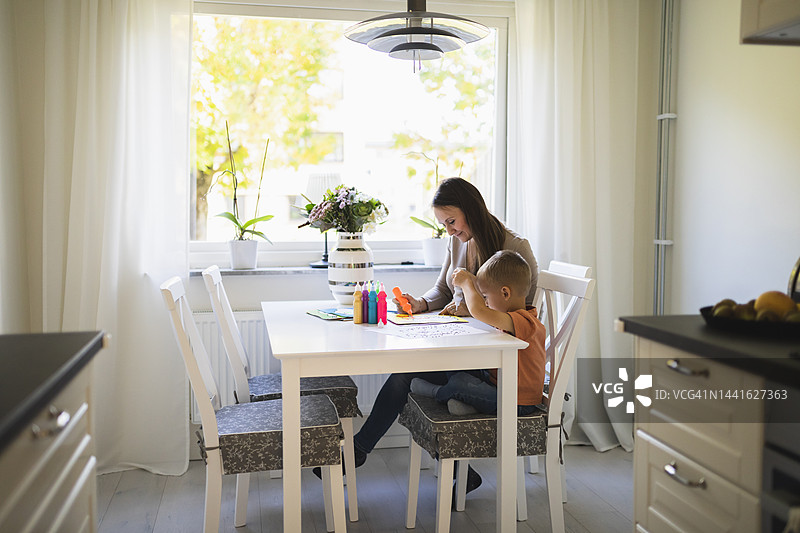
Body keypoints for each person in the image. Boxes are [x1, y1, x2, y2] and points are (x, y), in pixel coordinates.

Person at [316, 178, 539, 496]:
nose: (449, 231)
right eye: (443, 224)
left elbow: (521, 311)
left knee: (415, 379)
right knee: (403, 374)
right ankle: (359, 451)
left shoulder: (514, 248)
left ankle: (453, 467)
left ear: (471, 210)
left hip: (497, 366)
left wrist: (467, 303)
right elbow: (443, 289)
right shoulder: (458, 242)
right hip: (466, 350)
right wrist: (421, 303)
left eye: (451, 221)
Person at [409, 250, 547, 419]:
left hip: (518, 402)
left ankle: (437, 392)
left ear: (505, 293)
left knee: (460, 384)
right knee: (459, 362)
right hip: (498, 383)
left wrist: (467, 283)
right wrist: (474, 281)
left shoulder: (526, 323)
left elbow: (478, 311)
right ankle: (470, 404)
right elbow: (483, 309)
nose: (486, 302)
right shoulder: (510, 316)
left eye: (486, 296)